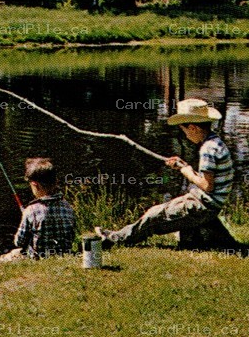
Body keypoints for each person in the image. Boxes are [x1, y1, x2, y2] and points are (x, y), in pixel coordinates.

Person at [97, 98, 238, 251]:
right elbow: (212, 178)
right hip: (209, 204)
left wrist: (187, 173)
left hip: (202, 206)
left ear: (193, 128)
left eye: (184, 131)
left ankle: (114, 239)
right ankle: (201, 240)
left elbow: (207, 185)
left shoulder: (207, 150)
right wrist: (184, 166)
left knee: (153, 216)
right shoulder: (215, 142)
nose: (185, 136)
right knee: (169, 215)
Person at [0, 157, 77, 263]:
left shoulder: (31, 210)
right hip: (64, 253)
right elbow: (71, 235)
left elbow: (19, 242)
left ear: (34, 184)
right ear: (55, 182)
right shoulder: (67, 206)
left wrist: (27, 217)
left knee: (0, 260)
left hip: (37, 257)